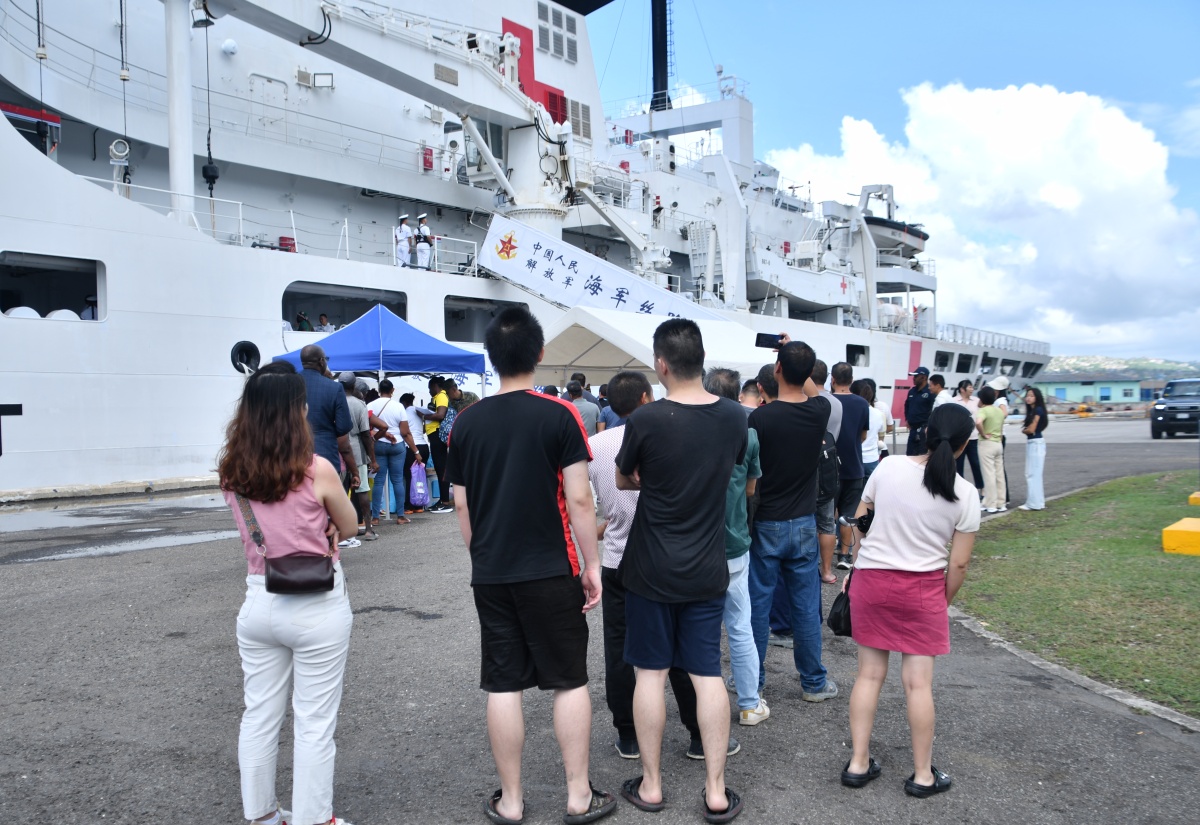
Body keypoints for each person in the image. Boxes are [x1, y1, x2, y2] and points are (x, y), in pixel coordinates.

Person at [444, 307, 617, 825]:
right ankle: (578, 795)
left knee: (503, 682)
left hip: (492, 571)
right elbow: (580, 499)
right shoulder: (559, 414)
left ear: (491, 357)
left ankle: (512, 800)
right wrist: (591, 565)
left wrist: (481, 555)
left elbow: (460, 503)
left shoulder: (467, 422)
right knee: (569, 679)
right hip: (551, 568)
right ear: (539, 354)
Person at [615, 319, 746, 822]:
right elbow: (729, 464)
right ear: (701, 360)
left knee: (649, 674)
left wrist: (646, 477)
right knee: (707, 673)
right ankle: (716, 791)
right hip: (706, 565)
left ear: (661, 364)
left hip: (650, 567)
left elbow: (624, 478)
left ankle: (651, 786)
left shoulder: (646, 419)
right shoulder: (734, 416)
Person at [218, 361, 359, 825]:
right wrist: (330, 528)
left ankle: (262, 815)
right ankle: (315, 819)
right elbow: (350, 525)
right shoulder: (317, 470)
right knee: (314, 722)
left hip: (259, 599)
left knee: (258, 715)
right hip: (317, 605)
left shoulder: (231, 472)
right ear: (297, 412)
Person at [840, 404, 979, 798]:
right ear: (963, 444)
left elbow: (860, 521)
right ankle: (922, 775)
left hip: (872, 582)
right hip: (923, 588)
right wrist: (941, 600)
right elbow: (960, 563)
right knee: (918, 685)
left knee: (869, 675)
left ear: (926, 433)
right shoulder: (966, 494)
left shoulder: (887, 468)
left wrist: (859, 564)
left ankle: (858, 763)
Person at [588, 371, 714, 762]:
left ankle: (628, 734)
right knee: (679, 647)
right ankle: (698, 733)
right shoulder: (673, 434)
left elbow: (590, 504)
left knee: (620, 649)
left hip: (616, 557)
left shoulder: (594, 445)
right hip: (666, 557)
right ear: (646, 398)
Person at [747, 339, 837, 705]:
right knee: (805, 606)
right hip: (803, 522)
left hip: (767, 522)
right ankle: (813, 682)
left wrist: (786, 356)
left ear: (777, 369)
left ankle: (753, 682)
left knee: (759, 606)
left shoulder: (760, 418)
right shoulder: (818, 411)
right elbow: (813, 391)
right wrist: (794, 354)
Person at [704, 367, 769, 729]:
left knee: (703, 629)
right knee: (740, 625)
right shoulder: (749, 434)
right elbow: (750, 489)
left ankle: (704, 704)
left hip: (698, 544)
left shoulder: (693, 430)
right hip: (734, 541)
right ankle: (748, 703)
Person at [298, 346, 357, 492]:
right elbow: (344, 426)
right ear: (321, 361)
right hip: (326, 456)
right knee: (325, 502)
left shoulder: (287, 384)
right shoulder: (334, 388)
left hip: (294, 454)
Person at [831, 363, 870, 572]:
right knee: (848, 514)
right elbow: (863, 435)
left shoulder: (827, 401)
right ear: (852, 380)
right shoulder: (862, 404)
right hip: (854, 466)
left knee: (827, 514)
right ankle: (844, 555)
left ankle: (823, 555)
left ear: (832, 379)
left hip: (830, 467)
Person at [367, 379, 419, 525]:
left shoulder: (370, 405)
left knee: (378, 481)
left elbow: (366, 429)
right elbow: (405, 432)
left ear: (379, 390)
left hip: (378, 444)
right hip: (397, 445)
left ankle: (375, 518)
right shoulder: (399, 407)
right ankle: (401, 516)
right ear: (392, 390)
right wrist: (416, 451)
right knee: (397, 480)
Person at [338, 372, 381, 543]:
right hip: (356, 450)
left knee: (340, 490)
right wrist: (373, 459)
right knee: (362, 489)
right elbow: (365, 434)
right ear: (353, 386)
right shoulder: (359, 404)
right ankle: (368, 529)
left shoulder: (335, 401)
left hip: (337, 450)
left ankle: (343, 530)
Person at [811, 359, 842, 585]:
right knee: (827, 523)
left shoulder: (810, 402)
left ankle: (810, 567)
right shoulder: (837, 403)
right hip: (829, 465)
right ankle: (827, 570)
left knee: (807, 521)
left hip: (809, 467)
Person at [417, 377, 454, 513]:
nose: (429, 391)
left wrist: (423, 416)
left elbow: (440, 415)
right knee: (439, 468)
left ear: (435, 386)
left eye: (429, 388)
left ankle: (445, 502)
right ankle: (442, 500)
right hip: (433, 435)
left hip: (438, 435)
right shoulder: (436, 398)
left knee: (441, 468)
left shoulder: (441, 396)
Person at [950, 380, 984, 505]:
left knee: (975, 463)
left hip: (973, 437)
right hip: (960, 438)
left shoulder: (976, 401)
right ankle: (960, 490)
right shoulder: (954, 401)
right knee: (959, 465)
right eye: (970, 387)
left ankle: (981, 488)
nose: (972, 389)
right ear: (962, 389)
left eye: (972, 387)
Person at [398, 393, 431, 515]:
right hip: (424, 446)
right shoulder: (419, 412)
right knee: (420, 477)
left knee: (409, 477)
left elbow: (403, 432)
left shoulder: (404, 413)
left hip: (412, 447)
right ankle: (419, 504)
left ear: (404, 403)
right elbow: (423, 429)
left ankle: (409, 506)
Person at [976, 386, 1007, 513]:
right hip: (998, 443)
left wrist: (983, 433)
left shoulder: (983, 410)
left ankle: (991, 503)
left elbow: (978, 422)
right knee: (999, 474)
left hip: (986, 444)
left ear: (982, 398)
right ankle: (1001, 502)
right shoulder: (999, 411)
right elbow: (1001, 426)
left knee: (988, 474)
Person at [1019, 387, 1048, 511]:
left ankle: (1033, 503)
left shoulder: (1037, 411)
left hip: (1035, 443)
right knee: (1035, 474)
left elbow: (1031, 429)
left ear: (1037, 397)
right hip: (1034, 442)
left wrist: (1024, 430)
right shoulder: (1033, 411)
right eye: (1027, 395)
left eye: (1031, 396)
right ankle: (1038, 502)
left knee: (1032, 474)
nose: (1028, 398)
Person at [851, 380, 883, 481]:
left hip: (854, 459)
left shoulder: (851, 411)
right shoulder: (879, 414)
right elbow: (881, 434)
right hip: (872, 459)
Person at [904, 366, 935, 456]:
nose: (913, 378)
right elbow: (907, 405)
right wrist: (907, 419)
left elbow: (933, 410)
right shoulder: (912, 391)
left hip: (923, 429)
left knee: (922, 455)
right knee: (910, 455)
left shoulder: (930, 393)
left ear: (923, 377)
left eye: (916, 376)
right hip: (913, 429)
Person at [863, 378, 894, 458]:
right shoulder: (883, 406)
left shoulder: (858, 407)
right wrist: (875, 432)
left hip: (863, 450)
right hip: (880, 447)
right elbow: (890, 427)